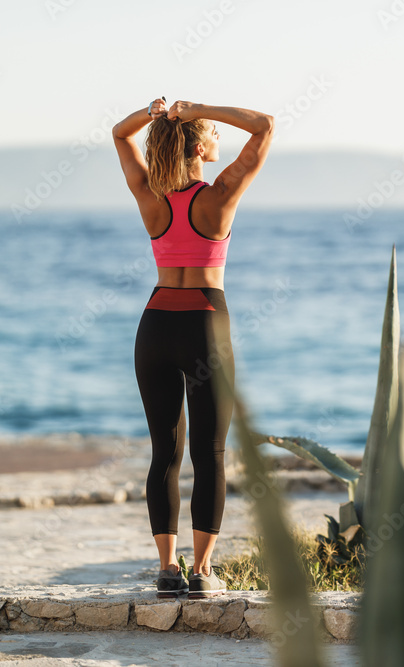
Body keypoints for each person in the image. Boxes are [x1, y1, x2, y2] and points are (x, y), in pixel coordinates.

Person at [112, 97, 273, 598]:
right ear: (202, 146)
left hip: (155, 325)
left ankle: (166, 569)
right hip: (205, 325)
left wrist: (151, 114)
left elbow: (120, 135)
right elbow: (264, 126)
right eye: (213, 138)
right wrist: (198, 108)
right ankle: (202, 573)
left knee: (165, 452)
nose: (220, 145)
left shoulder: (150, 197)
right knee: (211, 453)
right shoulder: (220, 194)